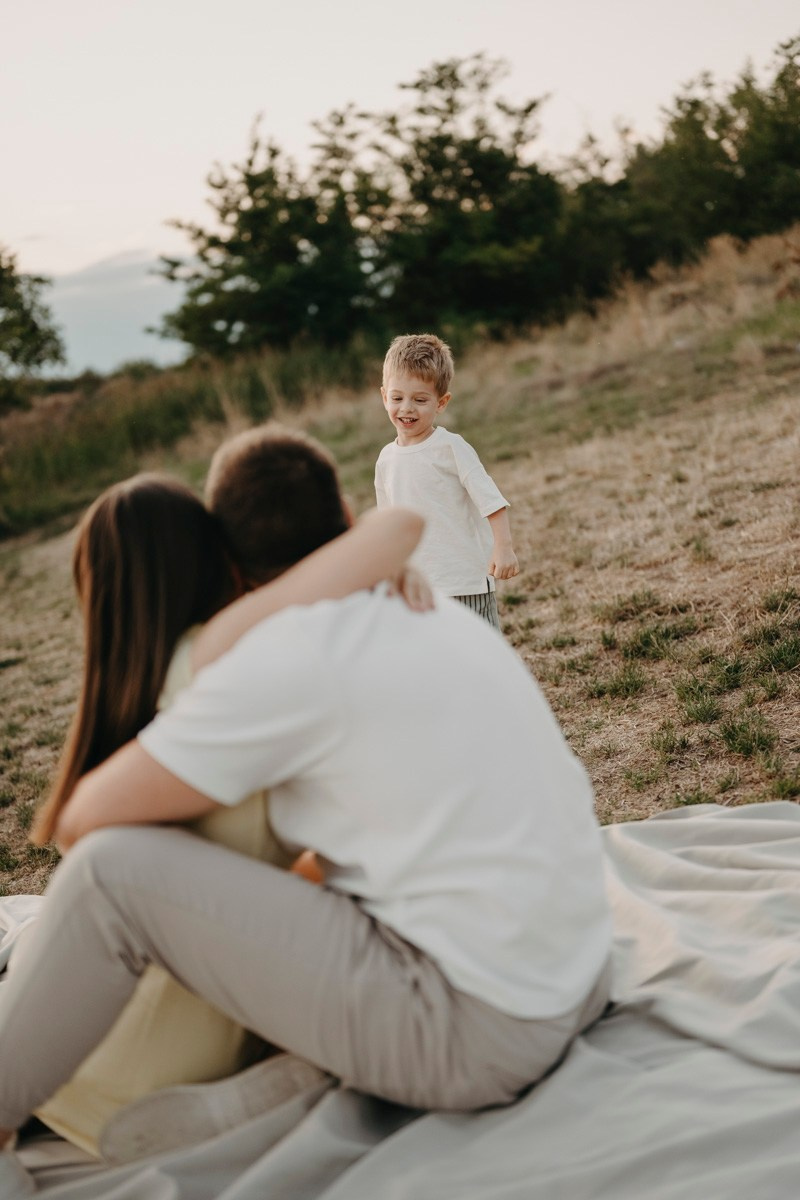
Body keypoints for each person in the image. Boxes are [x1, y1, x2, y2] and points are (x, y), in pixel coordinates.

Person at [0, 424, 611, 1197]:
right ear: (346, 517)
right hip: (581, 970)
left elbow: (83, 823)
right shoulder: (426, 604)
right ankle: (293, 1083)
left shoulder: (275, 657)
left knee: (108, 875)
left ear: (231, 562)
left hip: (480, 1032)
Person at [22, 470, 426, 1159]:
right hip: (200, 1055)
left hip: (88, 1068)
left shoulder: (143, 693)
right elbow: (397, 526)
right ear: (213, 558)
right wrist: (373, 571)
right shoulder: (228, 669)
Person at [375, 332, 520, 629]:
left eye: (420, 400)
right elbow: (388, 525)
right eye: (397, 398)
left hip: (465, 581)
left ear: (441, 403)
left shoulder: (451, 448)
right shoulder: (386, 460)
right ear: (384, 396)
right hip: (419, 588)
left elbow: (491, 501)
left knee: (479, 651)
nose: (407, 408)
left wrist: (503, 548)